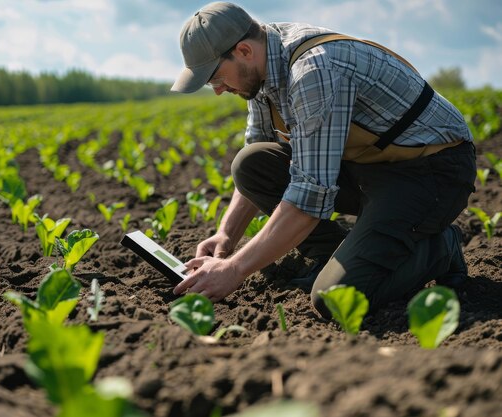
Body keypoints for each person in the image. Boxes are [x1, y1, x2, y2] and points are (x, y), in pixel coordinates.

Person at [169, 2, 476, 318]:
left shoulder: (314, 71)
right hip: (368, 167)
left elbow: (308, 198)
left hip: (432, 171)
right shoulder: (261, 68)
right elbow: (261, 146)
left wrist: (234, 269)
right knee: (251, 164)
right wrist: (226, 236)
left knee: (336, 298)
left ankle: (440, 249)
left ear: (244, 51)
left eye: (215, 76)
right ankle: (338, 256)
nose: (217, 89)